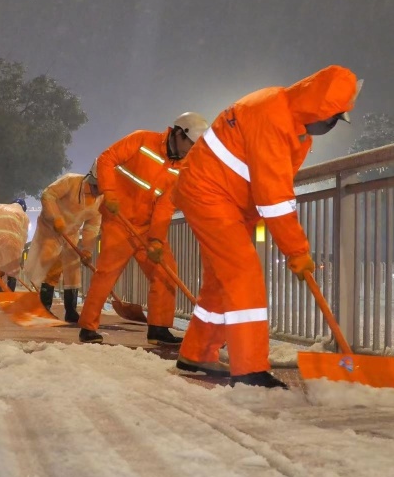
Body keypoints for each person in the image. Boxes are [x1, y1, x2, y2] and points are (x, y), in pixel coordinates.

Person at [175, 65, 361, 389]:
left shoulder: (292, 122)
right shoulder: (272, 117)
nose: (332, 126)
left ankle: (197, 352)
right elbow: (274, 196)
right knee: (243, 273)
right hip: (210, 192)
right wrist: (297, 250)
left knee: (221, 279)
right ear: (320, 110)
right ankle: (249, 368)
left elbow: (269, 186)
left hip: (229, 198)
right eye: (333, 118)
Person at [78, 112, 209, 345]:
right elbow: (107, 158)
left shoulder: (182, 167)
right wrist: (110, 193)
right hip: (119, 220)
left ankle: (158, 329)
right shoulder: (142, 140)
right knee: (107, 273)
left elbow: (166, 204)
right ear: (179, 133)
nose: (191, 151)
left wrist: (157, 239)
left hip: (147, 227)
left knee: (166, 272)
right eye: (190, 145)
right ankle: (88, 327)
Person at [23, 173, 102, 323]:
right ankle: (44, 307)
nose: (98, 192)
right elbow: (48, 195)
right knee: (51, 265)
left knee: (72, 269)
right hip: (51, 229)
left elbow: (92, 226)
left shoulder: (100, 199)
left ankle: (71, 310)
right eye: (96, 188)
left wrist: (87, 249)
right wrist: (56, 217)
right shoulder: (71, 181)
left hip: (71, 233)